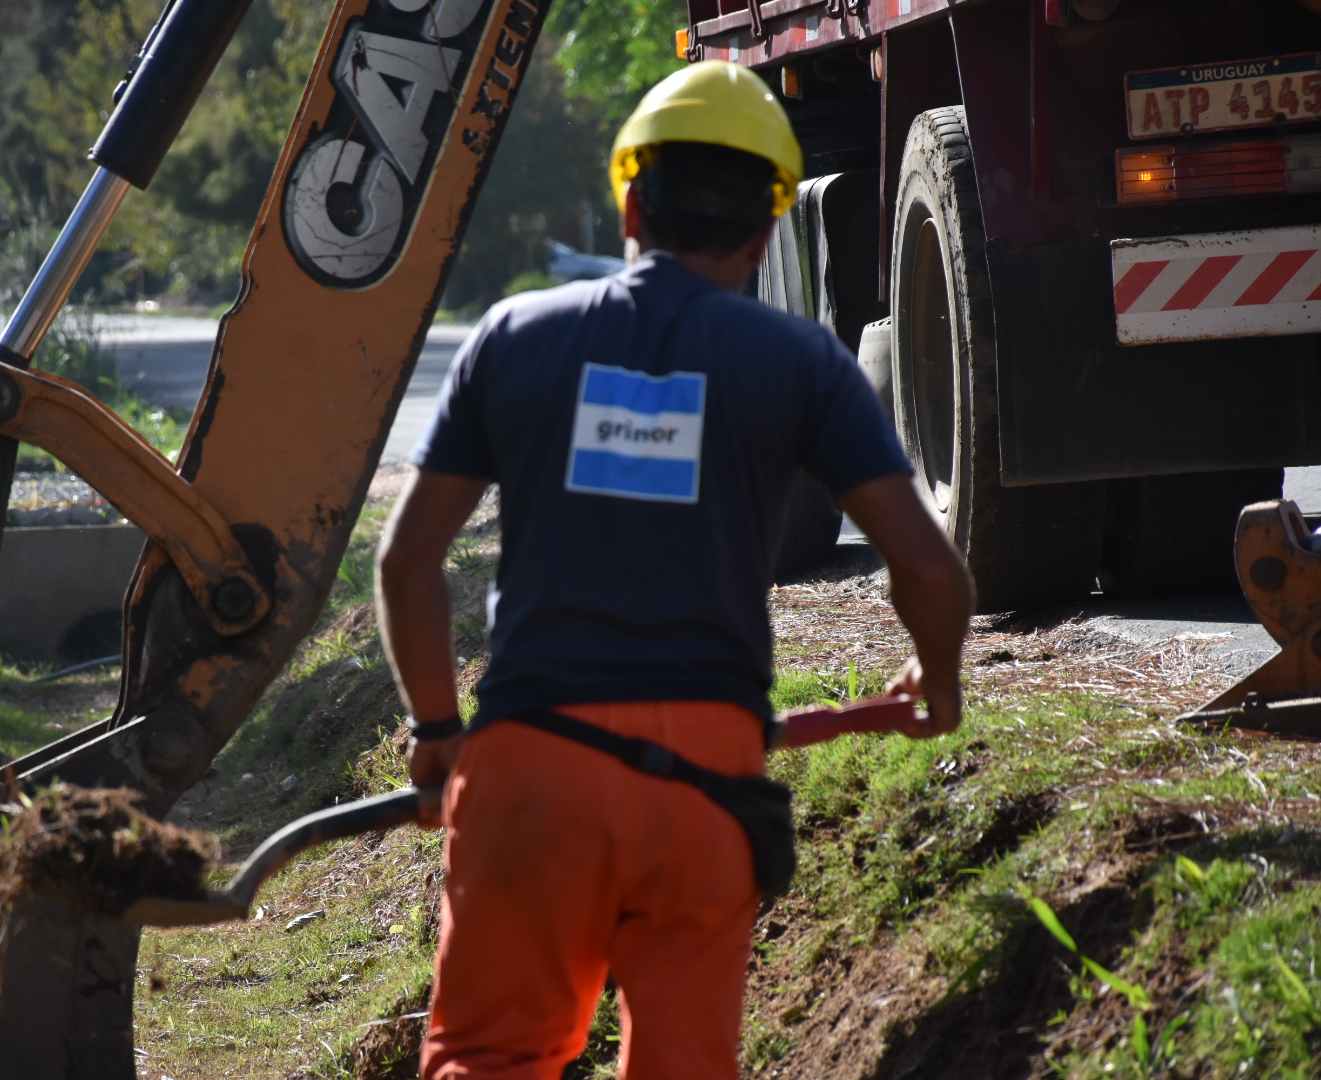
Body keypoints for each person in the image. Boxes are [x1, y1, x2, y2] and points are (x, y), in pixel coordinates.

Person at [375, 60, 975, 1080]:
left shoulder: (515, 336)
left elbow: (406, 562)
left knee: (490, 1058)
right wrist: (941, 679)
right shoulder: (801, 365)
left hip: (530, 771)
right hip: (704, 786)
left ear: (627, 203)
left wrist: (438, 732)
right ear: (766, 229)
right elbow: (927, 568)